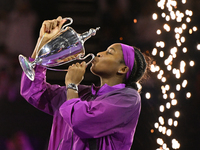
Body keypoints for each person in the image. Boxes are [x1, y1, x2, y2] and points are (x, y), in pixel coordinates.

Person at [20, 16, 149, 150]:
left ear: (123, 69)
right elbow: (33, 92)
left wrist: (71, 85)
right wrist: (43, 42)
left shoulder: (128, 99)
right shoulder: (83, 93)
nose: (99, 53)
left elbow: (80, 122)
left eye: (110, 52)